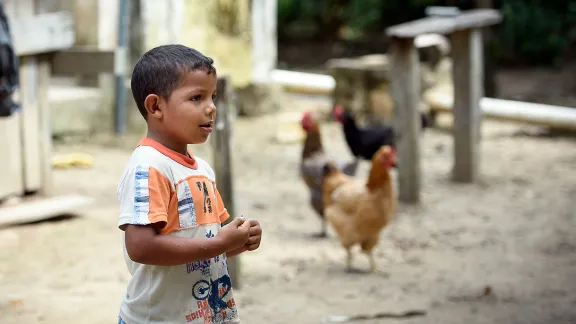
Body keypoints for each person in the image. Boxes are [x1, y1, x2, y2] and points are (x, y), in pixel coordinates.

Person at [116, 44, 262, 324]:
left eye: (213, 97)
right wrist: (221, 242)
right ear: (155, 106)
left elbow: (202, 248)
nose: (211, 108)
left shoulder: (202, 170)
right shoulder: (148, 166)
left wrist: (236, 241)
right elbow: (142, 247)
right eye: (197, 98)